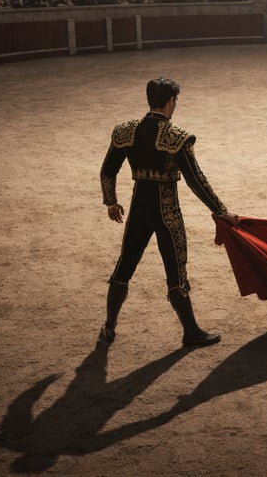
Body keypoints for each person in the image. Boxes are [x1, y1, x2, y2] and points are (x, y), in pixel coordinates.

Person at [98, 76, 239, 347]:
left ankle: (109, 326)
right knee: (175, 271)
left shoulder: (125, 130)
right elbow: (196, 179)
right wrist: (220, 211)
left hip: (139, 205)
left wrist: (111, 202)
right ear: (171, 101)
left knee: (124, 266)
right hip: (166, 209)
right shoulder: (176, 137)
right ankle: (191, 332)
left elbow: (108, 170)